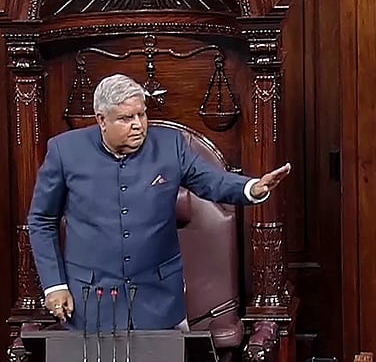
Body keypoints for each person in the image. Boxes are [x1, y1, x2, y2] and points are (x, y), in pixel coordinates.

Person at [28, 73, 291, 333]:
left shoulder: (170, 146)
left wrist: (252, 187)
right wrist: (54, 285)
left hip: (159, 301)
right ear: (101, 120)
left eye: (141, 114)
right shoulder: (65, 151)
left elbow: (212, 181)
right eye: (125, 118)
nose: (138, 125)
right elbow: (41, 220)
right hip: (91, 303)